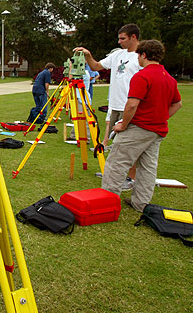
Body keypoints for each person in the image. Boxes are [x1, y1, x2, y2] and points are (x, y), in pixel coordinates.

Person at [102, 40, 181, 211]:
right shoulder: (169, 78)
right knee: (147, 168)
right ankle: (141, 203)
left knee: (116, 164)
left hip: (138, 128)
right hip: (157, 131)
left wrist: (123, 125)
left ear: (143, 55)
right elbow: (177, 104)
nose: (137, 58)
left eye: (138, 55)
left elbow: (131, 105)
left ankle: (108, 203)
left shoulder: (142, 76)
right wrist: (160, 117)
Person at [74, 24, 141, 187]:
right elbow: (96, 66)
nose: (119, 42)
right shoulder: (118, 55)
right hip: (115, 105)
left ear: (134, 37)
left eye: (123, 38)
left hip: (131, 106)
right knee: (115, 144)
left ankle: (130, 179)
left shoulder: (141, 57)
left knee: (129, 146)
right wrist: (88, 55)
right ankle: (112, 173)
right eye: (118, 38)